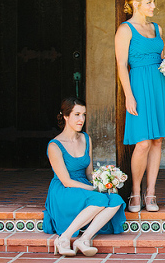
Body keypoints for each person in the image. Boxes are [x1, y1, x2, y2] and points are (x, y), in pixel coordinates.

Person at [114, 0, 165, 213]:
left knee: (158, 141)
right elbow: (122, 65)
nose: (154, 5)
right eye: (150, 2)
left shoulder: (157, 28)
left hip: (161, 86)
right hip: (139, 87)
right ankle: (135, 192)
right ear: (136, 4)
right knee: (142, 142)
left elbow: (163, 59)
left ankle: (151, 193)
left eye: (154, 1)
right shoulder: (125, 30)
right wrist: (128, 96)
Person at [43, 97, 125, 257]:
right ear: (66, 116)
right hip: (64, 189)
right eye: (77, 114)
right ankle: (64, 238)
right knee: (100, 199)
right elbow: (66, 181)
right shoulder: (54, 145)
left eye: (84, 115)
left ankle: (84, 239)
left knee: (115, 199)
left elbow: (89, 173)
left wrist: (105, 181)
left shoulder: (86, 138)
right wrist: (94, 189)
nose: (82, 119)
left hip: (83, 185)